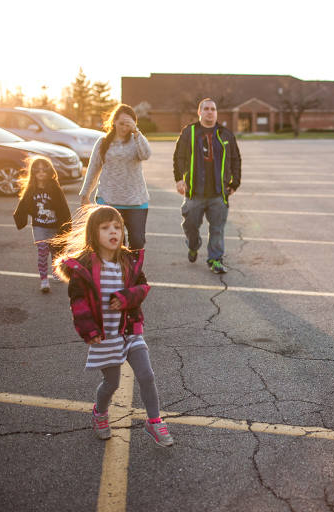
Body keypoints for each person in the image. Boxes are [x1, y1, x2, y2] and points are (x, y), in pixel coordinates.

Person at [54, 205, 174, 447]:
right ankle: (99, 413)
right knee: (112, 383)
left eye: (117, 227)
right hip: (105, 334)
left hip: (130, 330)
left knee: (147, 375)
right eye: (106, 227)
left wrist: (126, 298)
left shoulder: (129, 260)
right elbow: (79, 304)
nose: (113, 232)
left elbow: (142, 288)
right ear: (93, 233)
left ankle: (154, 421)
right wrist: (89, 330)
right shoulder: (84, 268)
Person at [173, 98, 242, 274]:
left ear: (216, 113)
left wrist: (235, 183)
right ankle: (194, 245)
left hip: (219, 193)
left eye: (213, 109)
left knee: (217, 229)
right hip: (194, 192)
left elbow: (236, 159)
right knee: (190, 226)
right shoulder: (189, 132)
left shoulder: (226, 134)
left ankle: (215, 259)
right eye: (206, 109)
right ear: (199, 112)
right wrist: (179, 179)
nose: (210, 112)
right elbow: (179, 157)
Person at [80, 104, 152, 251]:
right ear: (114, 122)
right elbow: (93, 169)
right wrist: (85, 194)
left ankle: (134, 273)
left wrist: (136, 132)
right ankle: (116, 273)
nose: (124, 128)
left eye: (128, 124)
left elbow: (146, 154)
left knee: (137, 243)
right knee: (114, 244)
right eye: (121, 124)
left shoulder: (136, 140)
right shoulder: (102, 142)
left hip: (136, 202)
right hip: (109, 200)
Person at [13, 156, 72, 293]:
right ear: (33, 172)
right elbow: (23, 204)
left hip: (54, 225)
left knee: (55, 250)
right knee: (42, 252)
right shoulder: (31, 188)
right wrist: (20, 217)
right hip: (39, 226)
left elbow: (64, 207)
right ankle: (44, 280)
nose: (40, 173)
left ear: (49, 171)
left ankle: (56, 270)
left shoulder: (55, 188)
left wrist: (66, 226)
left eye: (44, 170)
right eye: (37, 170)